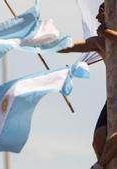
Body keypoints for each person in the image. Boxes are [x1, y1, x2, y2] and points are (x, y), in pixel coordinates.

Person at [59, 3, 117, 169]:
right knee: (98, 141)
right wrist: (45, 44)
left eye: (102, 12)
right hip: (113, 97)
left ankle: (100, 165)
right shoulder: (100, 42)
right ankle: (105, 164)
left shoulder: (106, 35)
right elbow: (72, 46)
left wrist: (106, 32)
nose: (97, 16)